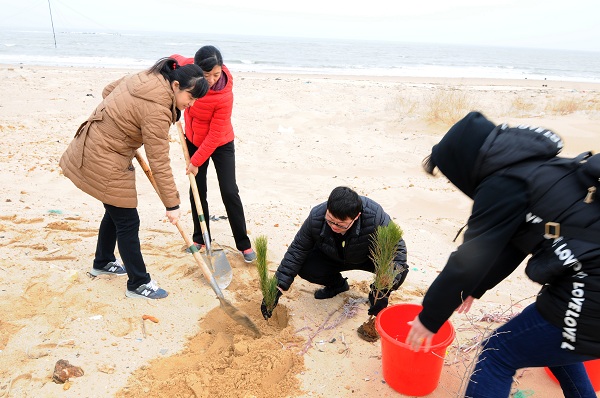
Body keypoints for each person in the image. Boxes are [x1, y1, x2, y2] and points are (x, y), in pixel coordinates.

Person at [405, 111, 600, 397]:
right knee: (551, 341)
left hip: (590, 290)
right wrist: (476, 287)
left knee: (498, 352)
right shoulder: (534, 168)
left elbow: (468, 259)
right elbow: (513, 245)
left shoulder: (502, 183)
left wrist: (430, 316)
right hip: (585, 285)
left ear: (463, 165)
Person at [59, 58, 209, 300]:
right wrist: (172, 205)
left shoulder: (146, 77)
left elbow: (108, 91)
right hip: (105, 155)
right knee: (128, 219)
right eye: (189, 98)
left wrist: (122, 122)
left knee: (116, 207)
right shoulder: (158, 110)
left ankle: (103, 261)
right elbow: (159, 160)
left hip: (98, 142)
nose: (190, 105)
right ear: (176, 85)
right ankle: (138, 283)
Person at [261, 186, 409, 320]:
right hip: (333, 256)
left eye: (341, 224)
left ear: (356, 216)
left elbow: (397, 252)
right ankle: (337, 285)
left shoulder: (375, 217)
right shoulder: (316, 216)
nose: (334, 226)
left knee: (400, 271)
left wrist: (382, 290)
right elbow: (297, 250)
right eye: (330, 221)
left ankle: (374, 294)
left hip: (368, 257)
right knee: (306, 266)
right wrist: (277, 288)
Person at [169, 46, 256, 263]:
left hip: (221, 143)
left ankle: (243, 244)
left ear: (222, 70)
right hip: (193, 140)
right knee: (197, 190)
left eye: (215, 74)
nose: (210, 79)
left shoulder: (225, 94)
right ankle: (199, 238)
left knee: (229, 191)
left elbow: (216, 132)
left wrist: (196, 160)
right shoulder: (188, 68)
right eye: (205, 74)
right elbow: (171, 60)